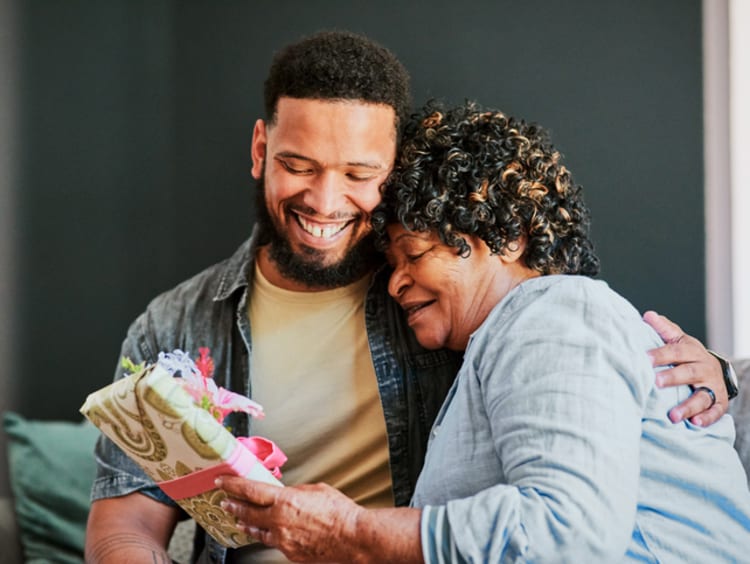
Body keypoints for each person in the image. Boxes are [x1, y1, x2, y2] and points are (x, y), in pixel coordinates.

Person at [86, 32, 731, 564]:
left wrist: (719, 376)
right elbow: (122, 526)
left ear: (392, 175)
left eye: (359, 175)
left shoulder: (453, 306)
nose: (326, 200)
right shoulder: (174, 323)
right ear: (261, 150)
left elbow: (579, 373)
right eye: (300, 166)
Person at [215, 101, 750, 563]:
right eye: (391, 263)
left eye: (415, 255)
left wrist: (349, 533)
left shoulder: (555, 314)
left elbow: (566, 537)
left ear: (508, 237)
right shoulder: (507, 341)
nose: (396, 284)